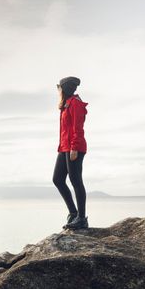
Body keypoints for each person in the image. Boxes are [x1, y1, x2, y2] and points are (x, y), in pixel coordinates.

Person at [52, 76, 89, 230]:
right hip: (65, 147)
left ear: (65, 89)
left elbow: (77, 127)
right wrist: (63, 146)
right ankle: (73, 213)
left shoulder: (75, 104)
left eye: (59, 88)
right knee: (58, 179)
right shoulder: (66, 104)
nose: (58, 91)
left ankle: (81, 218)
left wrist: (74, 147)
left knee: (76, 181)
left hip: (75, 147)